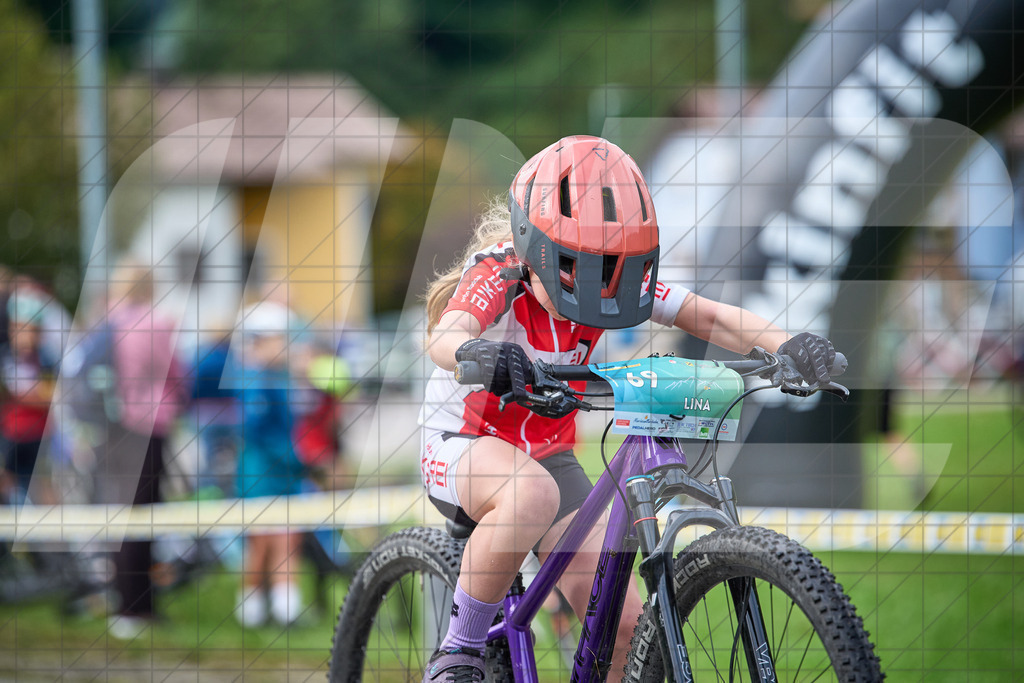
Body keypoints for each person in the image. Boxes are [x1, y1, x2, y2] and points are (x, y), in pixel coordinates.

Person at [418, 135, 839, 681]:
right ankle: (457, 654)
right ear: (534, 247)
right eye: (579, 270)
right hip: (463, 442)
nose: (600, 287)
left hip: (545, 453)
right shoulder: (498, 272)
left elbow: (709, 317)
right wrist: (478, 353)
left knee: (624, 629)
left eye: (613, 269)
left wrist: (789, 345)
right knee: (530, 494)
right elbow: (443, 335)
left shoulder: (614, 276)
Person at [233, 300, 307, 628]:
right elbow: (260, 432)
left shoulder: (276, 377)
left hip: (282, 474)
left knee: (287, 539)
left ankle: (284, 610)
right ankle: (254, 612)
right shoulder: (256, 380)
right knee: (262, 542)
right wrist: (299, 460)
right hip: (261, 474)